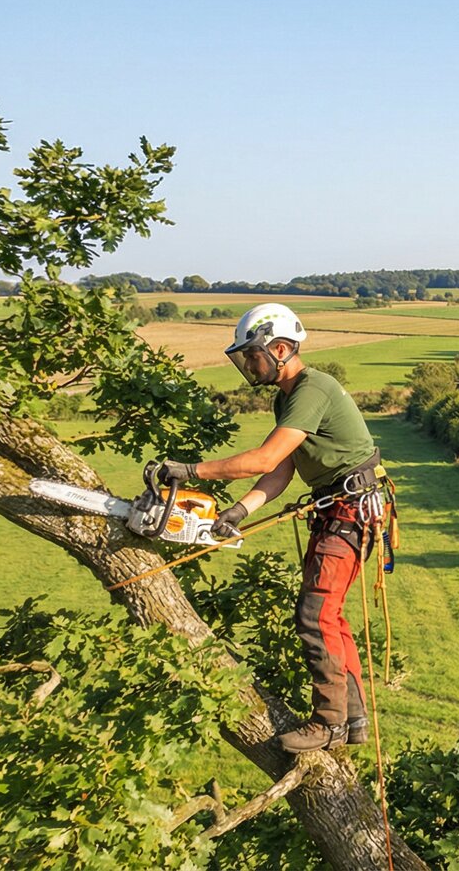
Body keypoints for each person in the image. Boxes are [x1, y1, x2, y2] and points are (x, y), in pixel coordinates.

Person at [149, 303, 387, 754]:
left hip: (350, 511)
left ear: (280, 348)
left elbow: (260, 459)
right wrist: (239, 511)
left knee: (315, 615)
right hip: (339, 509)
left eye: (252, 355)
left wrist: (190, 470)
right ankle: (352, 719)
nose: (248, 365)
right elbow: (279, 468)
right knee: (330, 615)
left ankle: (329, 724)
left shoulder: (312, 389)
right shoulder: (289, 396)